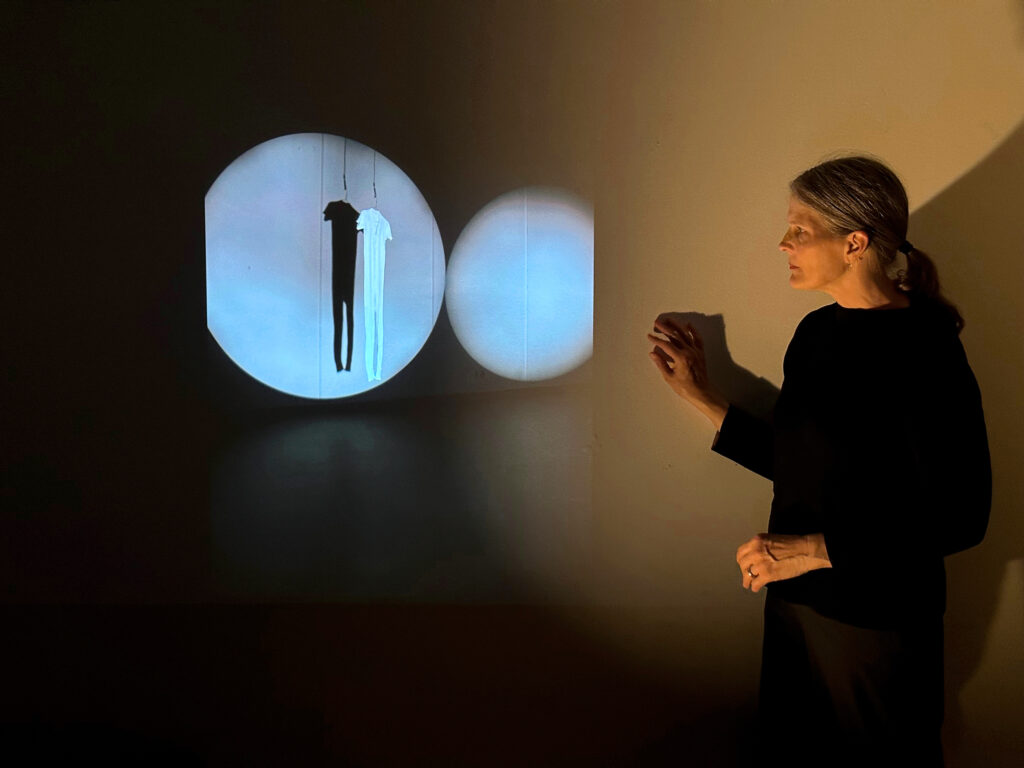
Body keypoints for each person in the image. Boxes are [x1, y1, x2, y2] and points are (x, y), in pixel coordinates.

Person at [647, 156, 991, 764]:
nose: (784, 243)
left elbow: (962, 516)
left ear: (854, 242)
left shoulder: (927, 353)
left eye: (800, 230)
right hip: (793, 605)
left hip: (874, 622)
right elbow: (801, 463)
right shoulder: (816, 334)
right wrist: (701, 395)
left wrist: (806, 551)